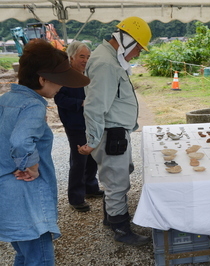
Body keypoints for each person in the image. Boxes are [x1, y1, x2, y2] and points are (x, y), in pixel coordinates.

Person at [0, 39, 89, 265]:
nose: (61, 87)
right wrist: (31, 165)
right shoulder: (33, 105)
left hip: (7, 195)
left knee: (24, 255)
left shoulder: (7, 100)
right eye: (58, 82)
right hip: (27, 197)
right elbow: (21, 140)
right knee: (40, 259)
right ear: (42, 79)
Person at [77, 17, 152, 246]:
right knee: (117, 183)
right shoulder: (106, 63)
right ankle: (121, 230)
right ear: (127, 41)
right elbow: (94, 106)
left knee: (114, 180)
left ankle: (111, 219)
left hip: (116, 131)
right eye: (138, 48)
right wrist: (92, 139)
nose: (138, 54)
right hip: (112, 133)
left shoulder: (109, 58)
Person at [54, 41, 103, 212]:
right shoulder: (64, 77)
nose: (85, 60)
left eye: (88, 57)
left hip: (90, 123)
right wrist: (81, 103)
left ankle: (91, 188)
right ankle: (75, 197)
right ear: (72, 56)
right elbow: (59, 99)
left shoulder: (88, 74)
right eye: (82, 56)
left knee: (92, 156)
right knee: (79, 160)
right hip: (74, 124)